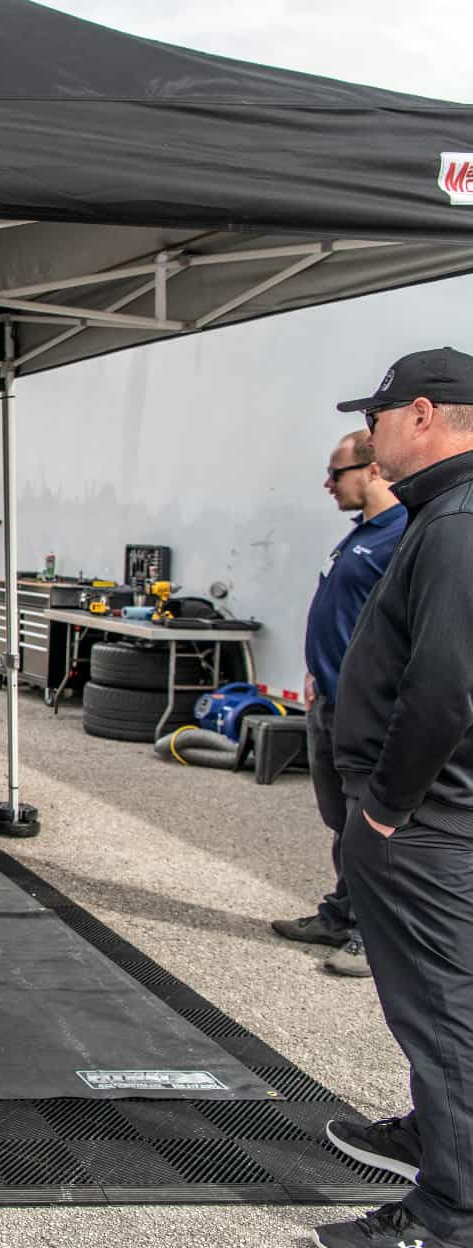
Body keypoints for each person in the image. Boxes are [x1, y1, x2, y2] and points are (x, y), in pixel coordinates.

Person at [315, 346, 473, 1248]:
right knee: (430, 1006)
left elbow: (445, 685)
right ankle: (436, 1136)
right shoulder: (439, 513)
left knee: (443, 1011)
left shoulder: (454, 521)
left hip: (424, 822)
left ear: (421, 413)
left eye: (375, 419)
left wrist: (385, 807)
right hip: (431, 816)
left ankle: (450, 1214)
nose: (368, 439)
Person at [272, 430, 406, 979]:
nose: (328, 484)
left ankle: (375, 938)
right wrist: (315, 668)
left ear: (373, 471)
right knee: (341, 820)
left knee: (370, 826)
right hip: (329, 699)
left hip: (367, 711)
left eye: (337, 472)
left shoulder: (402, 535)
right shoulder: (360, 536)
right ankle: (341, 913)